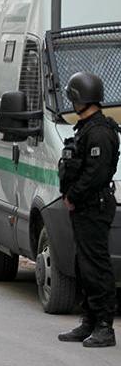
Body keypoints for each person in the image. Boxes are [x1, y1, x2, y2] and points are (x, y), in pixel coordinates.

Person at [58, 72, 120, 348]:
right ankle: (89, 321)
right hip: (84, 206)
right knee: (84, 265)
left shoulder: (100, 132)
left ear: (79, 99)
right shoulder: (86, 129)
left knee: (96, 265)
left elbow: (95, 174)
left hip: (94, 205)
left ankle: (105, 326)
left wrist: (73, 194)